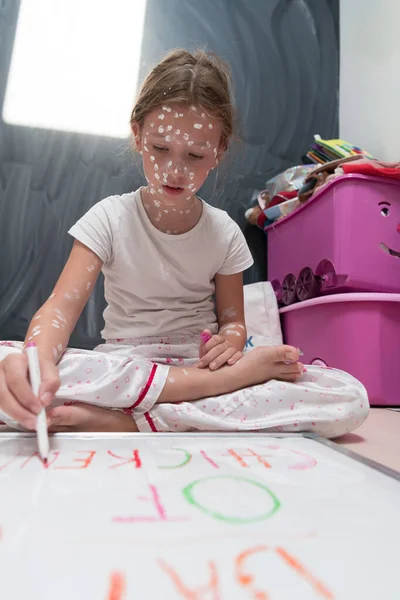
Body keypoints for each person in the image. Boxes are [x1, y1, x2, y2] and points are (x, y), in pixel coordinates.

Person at [0, 49, 368, 436]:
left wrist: (230, 341)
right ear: (138, 134)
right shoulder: (108, 218)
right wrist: (35, 364)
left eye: (195, 155)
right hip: (128, 366)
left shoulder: (224, 231)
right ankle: (176, 409)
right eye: (160, 149)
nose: (175, 170)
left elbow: (232, 324)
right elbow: (59, 309)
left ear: (218, 152)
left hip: (197, 365)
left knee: (348, 398)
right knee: (9, 364)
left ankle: (128, 420)